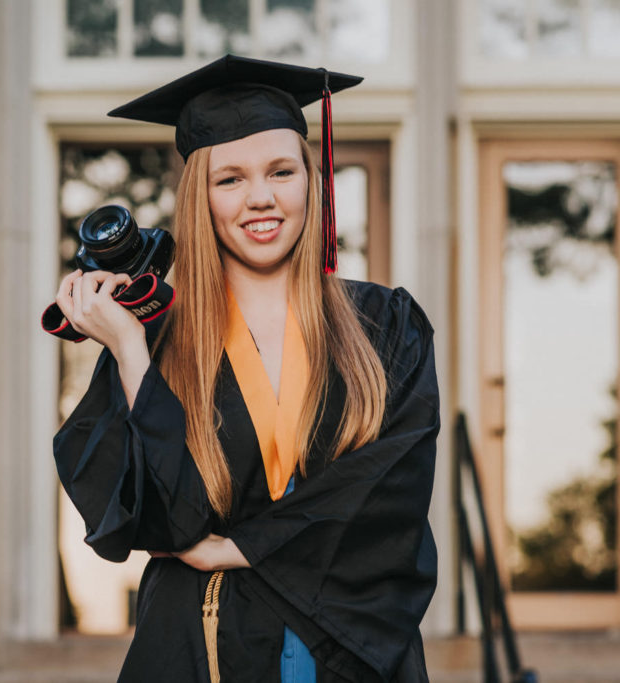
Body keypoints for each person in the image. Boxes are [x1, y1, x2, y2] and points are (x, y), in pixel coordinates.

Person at [52, 55, 439, 683]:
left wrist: (234, 547)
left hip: (351, 650)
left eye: (281, 171)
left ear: (311, 181)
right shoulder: (158, 340)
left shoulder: (386, 326)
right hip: (199, 647)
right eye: (229, 179)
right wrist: (128, 352)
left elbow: (386, 492)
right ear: (199, 197)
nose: (261, 197)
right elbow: (165, 522)